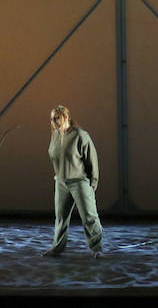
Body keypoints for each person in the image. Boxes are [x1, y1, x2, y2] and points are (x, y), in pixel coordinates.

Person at [42, 105, 103, 258]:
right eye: (52, 118)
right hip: (61, 182)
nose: (54, 121)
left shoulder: (80, 135)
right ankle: (57, 247)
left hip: (79, 182)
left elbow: (92, 159)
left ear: (66, 117)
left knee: (89, 217)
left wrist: (93, 181)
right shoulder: (55, 135)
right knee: (61, 217)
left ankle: (97, 249)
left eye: (57, 117)